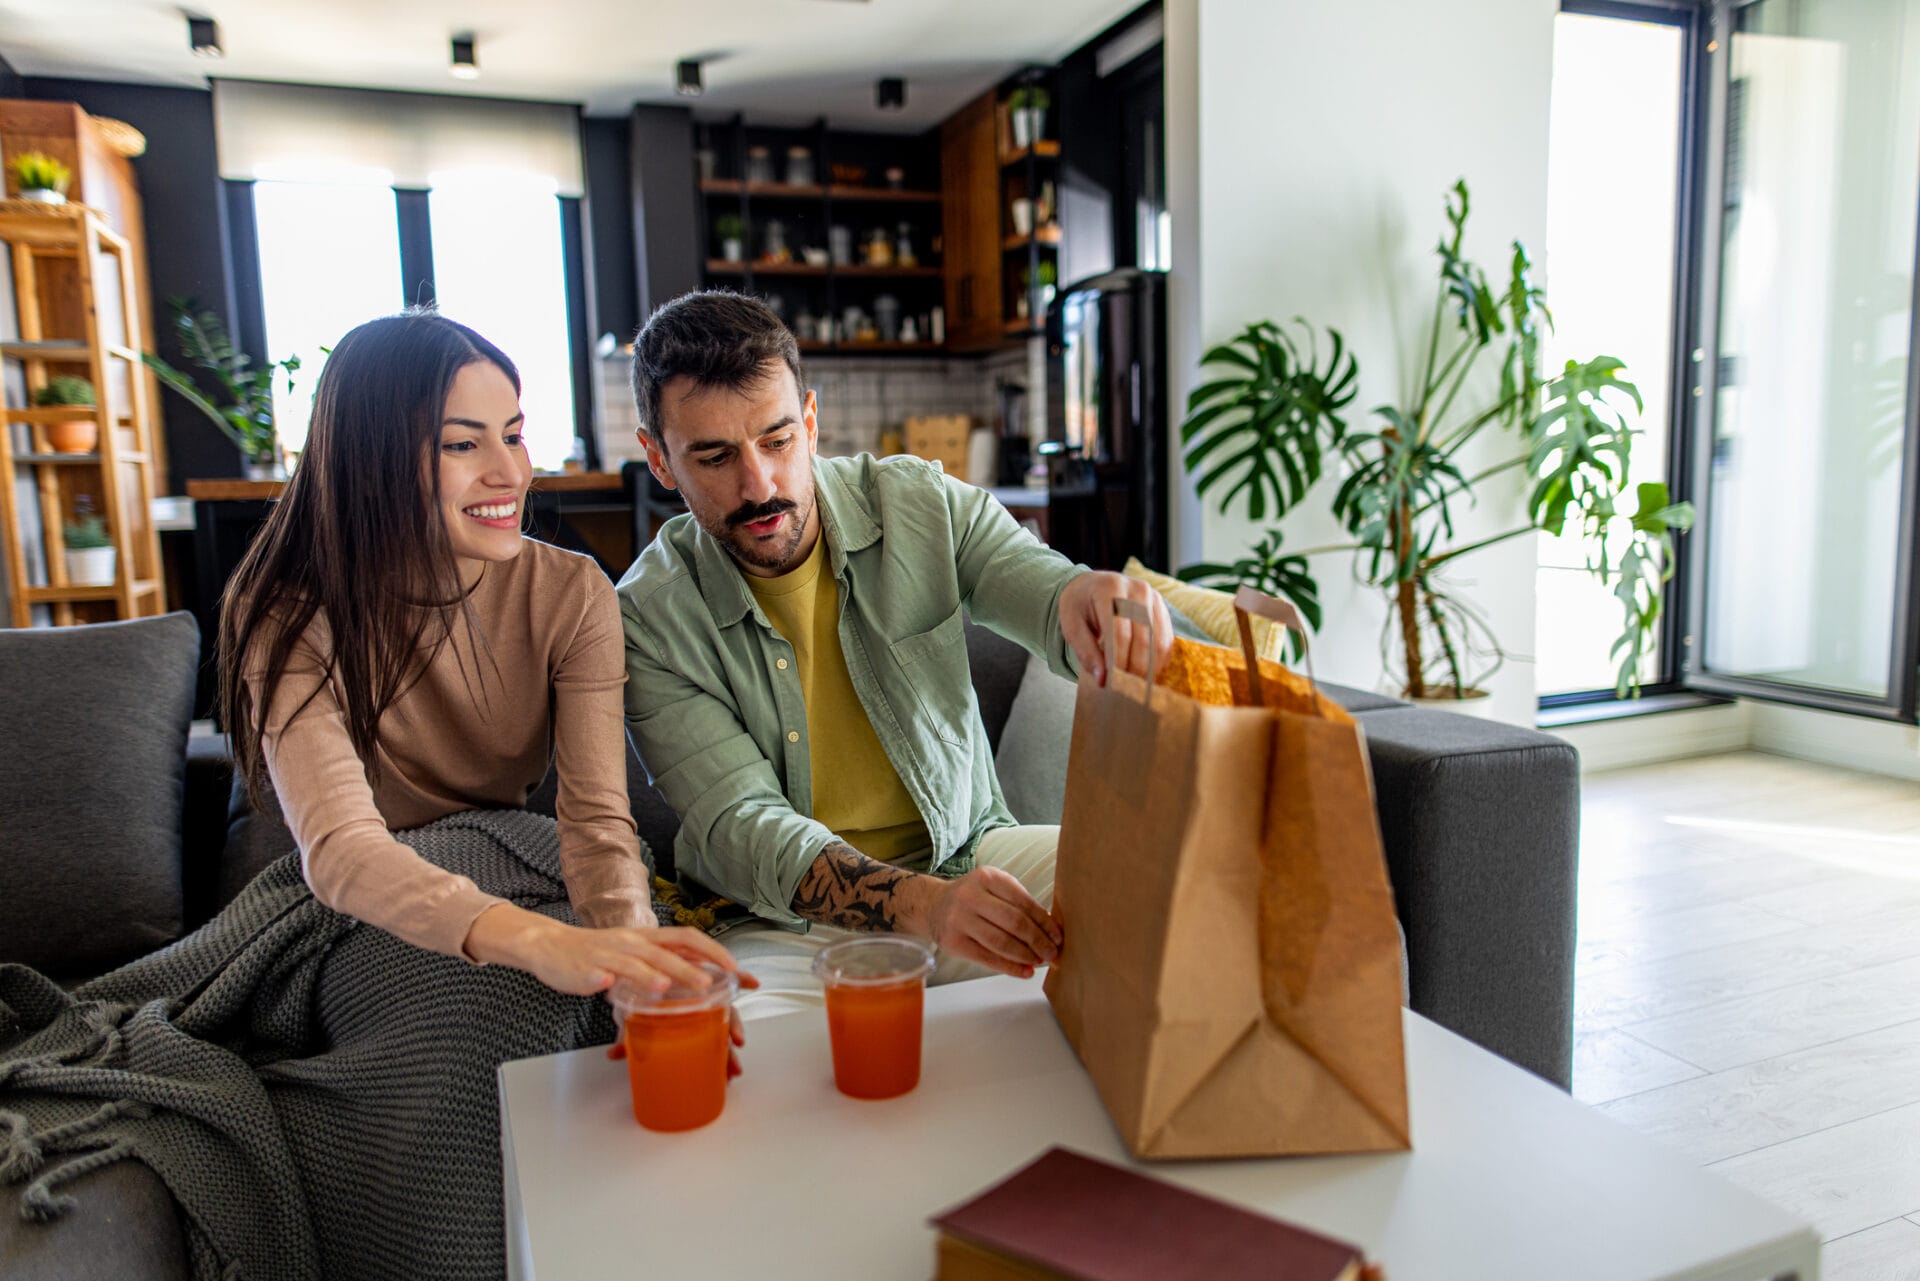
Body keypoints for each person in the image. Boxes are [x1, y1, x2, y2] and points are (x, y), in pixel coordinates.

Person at [617, 291, 1173, 1014]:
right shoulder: (649, 616)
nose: (759, 485)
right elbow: (742, 826)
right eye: (715, 456)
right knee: (745, 1058)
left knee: (1165, 881)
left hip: (969, 859)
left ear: (811, 424)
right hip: (784, 922)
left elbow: (1042, 590)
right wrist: (924, 908)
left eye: (778, 440)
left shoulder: (916, 503)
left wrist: (1086, 600)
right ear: (658, 458)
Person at [221, 309, 744, 1003]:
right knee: (506, 1008)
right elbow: (344, 852)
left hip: (509, 864)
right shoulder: (289, 609)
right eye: (463, 445)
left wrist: (635, 963)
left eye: (515, 435)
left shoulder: (572, 593)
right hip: (364, 899)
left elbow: (596, 823)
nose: (511, 473)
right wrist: (540, 941)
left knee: (595, 996)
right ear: (371, 457)